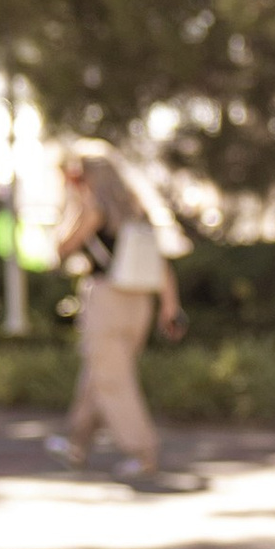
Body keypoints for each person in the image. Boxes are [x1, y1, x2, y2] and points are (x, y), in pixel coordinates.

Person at [48, 151, 181, 480]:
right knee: (99, 374)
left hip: (107, 299)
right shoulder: (137, 210)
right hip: (140, 303)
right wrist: (170, 307)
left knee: (112, 379)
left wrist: (72, 202)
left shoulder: (93, 208)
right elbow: (162, 265)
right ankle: (76, 442)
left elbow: (62, 248)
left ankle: (142, 451)